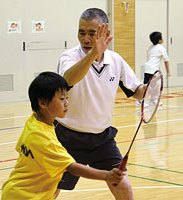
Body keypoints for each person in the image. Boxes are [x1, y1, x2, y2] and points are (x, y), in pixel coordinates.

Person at [55, 8, 146, 200]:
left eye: (92, 33)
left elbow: (137, 92)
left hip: (102, 139)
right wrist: (93, 54)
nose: (86, 39)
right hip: (67, 138)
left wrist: (148, 89)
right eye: (82, 32)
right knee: (51, 189)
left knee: (123, 187)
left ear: (105, 33)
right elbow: (69, 78)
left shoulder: (116, 60)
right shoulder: (69, 57)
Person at [1, 72, 125, 200]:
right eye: (61, 99)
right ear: (43, 103)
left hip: (17, 192)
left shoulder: (33, 122)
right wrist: (106, 175)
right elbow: (73, 168)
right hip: (25, 196)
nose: (67, 103)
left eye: (67, 98)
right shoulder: (43, 138)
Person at [136, 31, 170, 105]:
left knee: (153, 86)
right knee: (149, 86)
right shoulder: (161, 48)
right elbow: (166, 60)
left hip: (148, 69)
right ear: (159, 40)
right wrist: (168, 72)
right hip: (152, 70)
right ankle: (142, 100)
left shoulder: (151, 47)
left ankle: (152, 100)